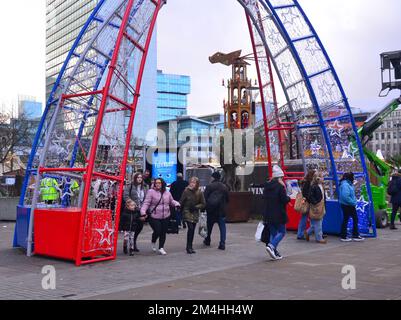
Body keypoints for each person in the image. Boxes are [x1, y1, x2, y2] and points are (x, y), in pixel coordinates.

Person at [140, 178, 180, 255]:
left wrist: (177, 204)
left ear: (162, 184)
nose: (158, 184)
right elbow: (146, 203)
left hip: (166, 215)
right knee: (157, 231)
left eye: (159, 183)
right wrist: (143, 212)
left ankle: (161, 247)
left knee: (163, 232)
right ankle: (153, 240)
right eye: (156, 183)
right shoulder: (151, 192)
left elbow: (171, 201)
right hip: (154, 216)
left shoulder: (167, 192)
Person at [264, 165, 291, 260]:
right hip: (279, 213)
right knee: (282, 232)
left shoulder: (267, 186)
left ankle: (274, 252)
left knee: (273, 233)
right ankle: (272, 246)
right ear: (279, 177)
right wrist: (288, 198)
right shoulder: (280, 187)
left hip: (268, 213)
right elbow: (284, 199)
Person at [120, 173, 149, 256]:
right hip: (132, 210)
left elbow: (147, 198)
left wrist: (145, 208)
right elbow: (125, 196)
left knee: (139, 227)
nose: (139, 179)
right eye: (138, 177)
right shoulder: (130, 186)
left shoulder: (145, 186)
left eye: (141, 177)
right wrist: (132, 203)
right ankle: (128, 245)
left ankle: (134, 241)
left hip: (141, 210)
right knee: (131, 227)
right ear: (135, 178)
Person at [204, 171, 229, 250]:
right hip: (221, 210)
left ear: (213, 177)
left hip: (211, 210)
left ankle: (208, 239)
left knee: (209, 226)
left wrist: (204, 208)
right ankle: (222, 243)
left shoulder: (209, 186)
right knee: (222, 227)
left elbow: (205, 198)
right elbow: (227, 199)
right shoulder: (224, 187)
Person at [180, 177, 206, 254]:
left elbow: (203, 203)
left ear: (197, 184)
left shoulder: (199, 192)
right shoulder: (186, 191)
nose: (192, 184)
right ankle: (188, 247)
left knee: (192, 230)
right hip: (187, 211)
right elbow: (181, 201)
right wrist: (179, 207)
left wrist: (196, 207)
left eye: (194, 182)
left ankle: (190, 246)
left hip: (195, 212)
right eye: (191, 182)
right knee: (190, 228)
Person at [339, 172, 365, 242]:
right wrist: (353, 202)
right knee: (352, 219)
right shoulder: (345, 185)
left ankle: (347, 235)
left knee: (348, 219)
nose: (354, 178)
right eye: (353, 177)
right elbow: (345, 196)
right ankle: (352, 235)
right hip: (348, 205)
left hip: (347, 204)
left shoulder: (347, 184)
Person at [304, 172, 327, 244]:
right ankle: (319, 238)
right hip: (317, 205)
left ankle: (307, 232)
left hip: (321, 205)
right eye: (321, 177)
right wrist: (315, 203)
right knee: (318, 222)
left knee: (316, 223)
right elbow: (310, 196)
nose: (323, 178)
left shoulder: (320, 185)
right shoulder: (314, 186)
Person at [297, 170, 315, 240]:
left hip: (305, 202)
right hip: (308, 203)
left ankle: (300, 233)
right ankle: (304, 233)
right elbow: (306, 193)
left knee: (303, 218)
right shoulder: (308, 183)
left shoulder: (305, 181)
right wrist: (311, 200)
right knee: (312, 220)